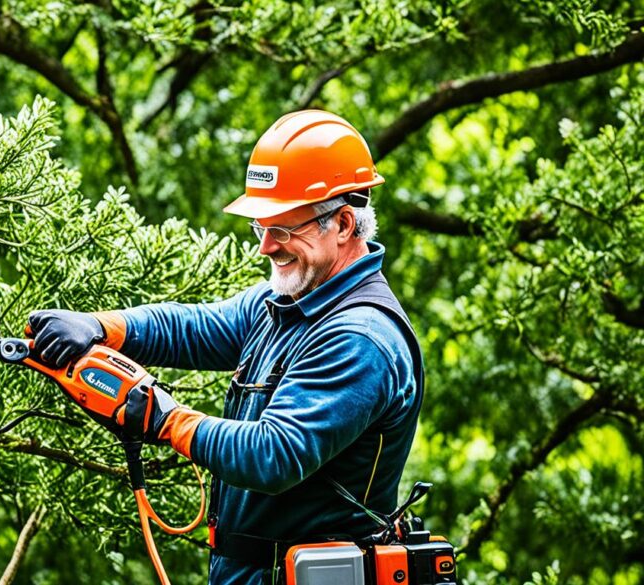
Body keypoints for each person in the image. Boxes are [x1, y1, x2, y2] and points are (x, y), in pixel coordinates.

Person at [27, 110, 423, 584]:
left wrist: (163, 419)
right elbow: (192, 328)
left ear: (341, 224)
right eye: (261, 228)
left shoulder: (360, 338)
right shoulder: (284, 303)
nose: (267, 247)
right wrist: (99, 327)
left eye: (284, 229)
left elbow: (274, 453)